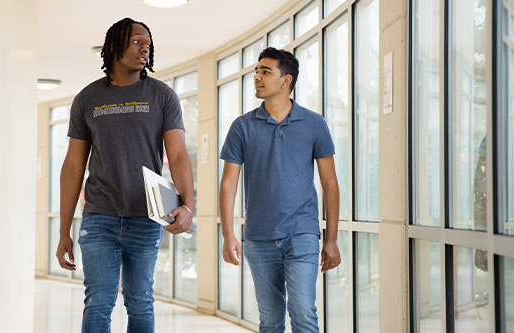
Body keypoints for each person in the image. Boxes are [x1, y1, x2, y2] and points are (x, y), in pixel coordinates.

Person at [55, 17, 195, 333]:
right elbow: (74, 166)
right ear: (114, 46)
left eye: (148, 42)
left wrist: (188, 206)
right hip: (99, 218)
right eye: (136, 41)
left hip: (147, 217)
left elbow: (178, 155)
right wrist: (64, 230)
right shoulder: (87, 99)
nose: (145, 46)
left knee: (140, 302)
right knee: (98, 303)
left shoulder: (162, 96)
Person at [219, 47, 341, 332]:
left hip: (302, 234)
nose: (257, 77)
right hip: (259, 238)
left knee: (303, 312)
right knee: (270, 321)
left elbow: (330, 183)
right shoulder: (242, 127)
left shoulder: (314, 124)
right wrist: (227, 234)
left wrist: (331, 239)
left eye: (266, 71)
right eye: (256, 71)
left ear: (286, 81)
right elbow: (228, 183)